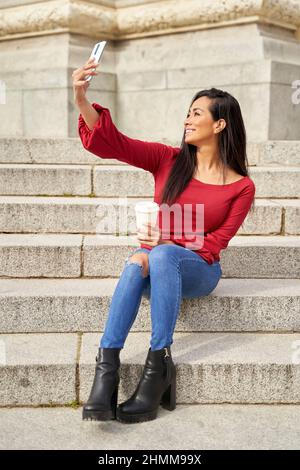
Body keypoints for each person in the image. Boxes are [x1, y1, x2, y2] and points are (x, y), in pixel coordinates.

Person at [72, 57, 256, 424]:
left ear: (220, 124)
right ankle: (105, 370)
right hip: (156, 260)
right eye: (188, 112)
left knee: (158, 254)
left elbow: (215, 244)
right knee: (135, 264)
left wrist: (164, 241)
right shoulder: (167, 159)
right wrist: (81, 97)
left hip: (199, 270)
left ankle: (157, 366)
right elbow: (115, 143)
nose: (187, 119)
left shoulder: (241, 186)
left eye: (197, 113)